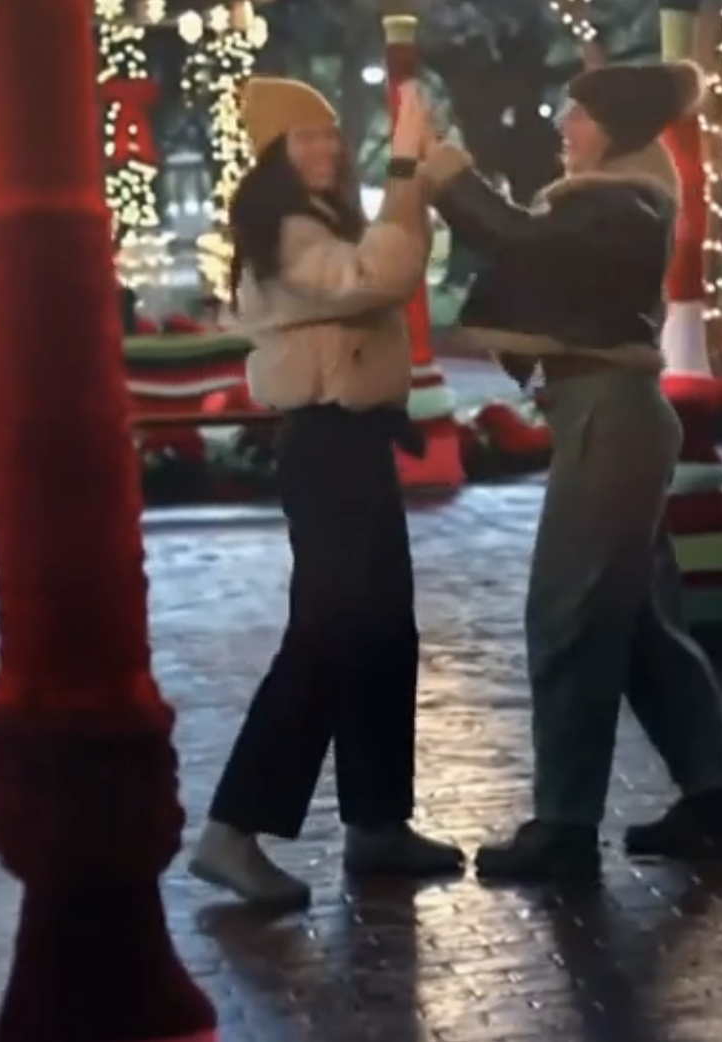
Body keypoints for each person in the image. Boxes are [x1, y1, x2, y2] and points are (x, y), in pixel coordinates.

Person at [416, 60, 722, 883]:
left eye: (578, 114)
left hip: (610, 417)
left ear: (617, 126)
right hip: (611, 415)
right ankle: (711, 808)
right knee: (639, 629)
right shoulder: (618, 200)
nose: (564, 126)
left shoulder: (619, 202)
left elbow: (519, 240)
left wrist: (440, 167)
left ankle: (564, 828)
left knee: (567, 617)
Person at [186, 75, 463, 910]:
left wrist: (427, 155)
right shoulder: (280, 230)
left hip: (358, 444)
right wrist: (408, 164)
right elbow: (376, 276)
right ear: (273, 154)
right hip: (325, 449)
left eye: (330, 135)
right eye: (305, 138)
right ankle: (232, 831)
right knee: (329, 633)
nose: (326, 149)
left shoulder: (319, 219)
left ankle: (378, 821)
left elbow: (391, 258)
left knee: (383, 629)